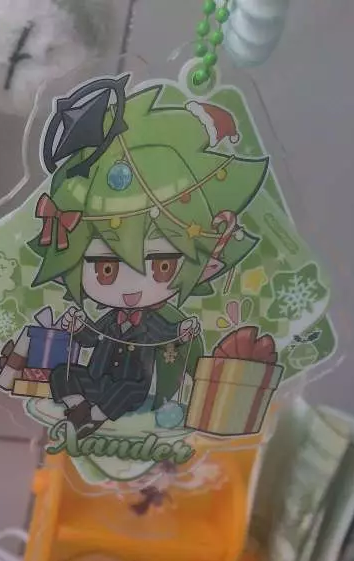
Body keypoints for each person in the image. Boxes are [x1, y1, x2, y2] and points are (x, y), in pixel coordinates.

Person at [30, 78, 268, 434]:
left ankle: (93, 418)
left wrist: (184, 331)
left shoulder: (152, 323)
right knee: (64, 376)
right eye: (107, 270)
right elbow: (90, 338)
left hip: (129, 388)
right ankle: (80, 409)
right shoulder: (108, 320)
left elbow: (171, 335)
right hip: (96, 381)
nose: (131, 289)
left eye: (162, 266)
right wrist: (77, 328)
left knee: (128, 391)